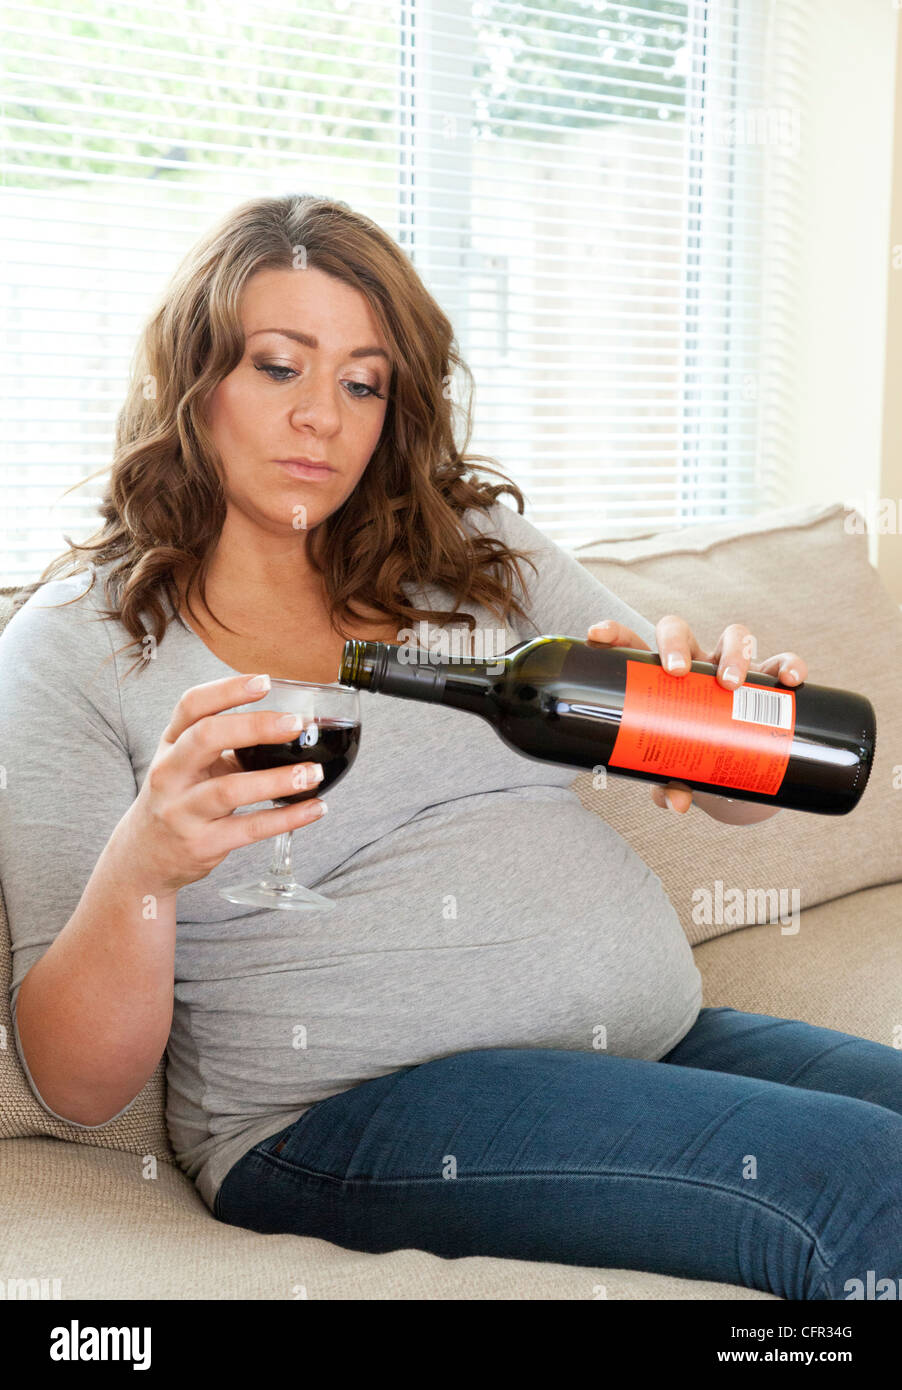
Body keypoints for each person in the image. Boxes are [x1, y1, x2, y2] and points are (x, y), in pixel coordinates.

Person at [1, 194, 899, 1302]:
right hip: (341, 1113)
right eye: (278, 366)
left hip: (644, 1043)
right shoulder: (77, 648)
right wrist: (144, 862)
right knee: (870, 1187)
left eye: (362, 380)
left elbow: (734, 800)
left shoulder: (471, 551)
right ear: (195, 380)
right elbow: (76, 1082)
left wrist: (710, 719)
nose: (320, 416)